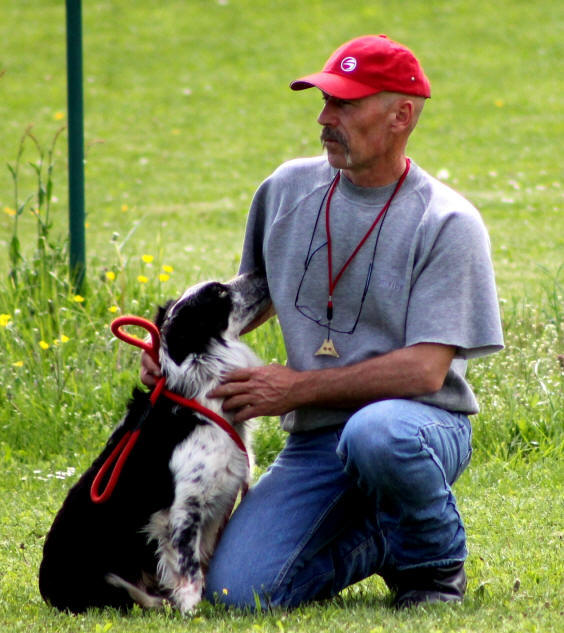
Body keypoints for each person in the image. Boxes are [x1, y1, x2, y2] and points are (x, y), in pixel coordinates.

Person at [141, 34, 504, 609]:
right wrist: (177, 354)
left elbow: (427, 372)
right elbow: (252, 301)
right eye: (324, 101)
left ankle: (432, 562)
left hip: (416, 427)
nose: (324, 118)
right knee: (241, 592)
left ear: (400, 115)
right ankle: (381, 539)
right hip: (315, 440)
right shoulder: (284, 189)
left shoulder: (448, 222)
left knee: (376, 434)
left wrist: (297, 388)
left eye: (345, 104)